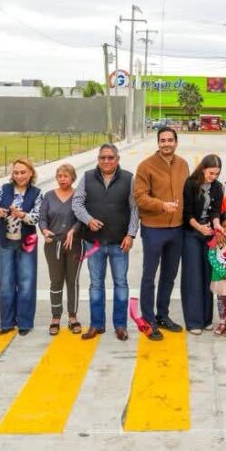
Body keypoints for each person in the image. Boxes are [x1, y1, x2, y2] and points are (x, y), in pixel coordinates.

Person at [73, 143, 139, 341]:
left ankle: (120, 326)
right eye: (103, 157)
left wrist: (131, 234)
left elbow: (135, 209)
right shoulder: (86, 178)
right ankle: (96, 324)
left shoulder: (129, 178)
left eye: (110, 157)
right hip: (94, 243)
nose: (106, 161)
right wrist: (88, 220)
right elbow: (77, 204)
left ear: (117, 159)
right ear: (98, 159)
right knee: (95, 284)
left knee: (120, 283)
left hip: (120, 242)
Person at [133, 126, 190, 339]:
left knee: (169, 275)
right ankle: (148, 320)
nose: (166, 144)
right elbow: (140, 197)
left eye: (170, 140)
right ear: (158, 143)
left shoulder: (183, 165)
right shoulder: (146, 166)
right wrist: (161, 205)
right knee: (149, 275)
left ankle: (162, 315)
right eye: (162, 140)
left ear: (176, 142)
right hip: (153, 228)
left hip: (177, 228)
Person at [0, 158, 43, 336]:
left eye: (23, 172)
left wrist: (22, 215)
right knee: (6, 282)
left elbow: (36, 217)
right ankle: (6, 322)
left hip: (27, 241)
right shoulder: (4, 189)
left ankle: (25, 322)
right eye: (16, 172)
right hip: (6, 241)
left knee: (26, 281)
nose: (19, 176)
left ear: (31, 173)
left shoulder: (37, 193)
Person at [181, 154, 224, 334]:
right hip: (192, 232)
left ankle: (207, 319)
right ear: (203, 168)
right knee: (193, 276)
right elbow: (187, 213)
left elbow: (215, 211)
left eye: (216, 174)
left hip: (209, 234)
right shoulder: (191, 183)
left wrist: (217, 225)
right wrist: (200, 228)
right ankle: (194, 321)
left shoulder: (217, 187)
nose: (212, 177)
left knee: (208, 275)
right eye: (210, 173)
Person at [39, 163, 83, 336]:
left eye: (65, 176)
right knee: (56, 280)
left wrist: (74, 230)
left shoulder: (78, 196)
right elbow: (42, 218)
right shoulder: (49, 196)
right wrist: (44, 230)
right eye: (59, 176)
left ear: (73, 178)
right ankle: (55, 317)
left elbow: (83, 217)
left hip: (74, 244)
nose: (62, 179)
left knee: (72, 281)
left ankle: (72, 316)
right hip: (53, 244)